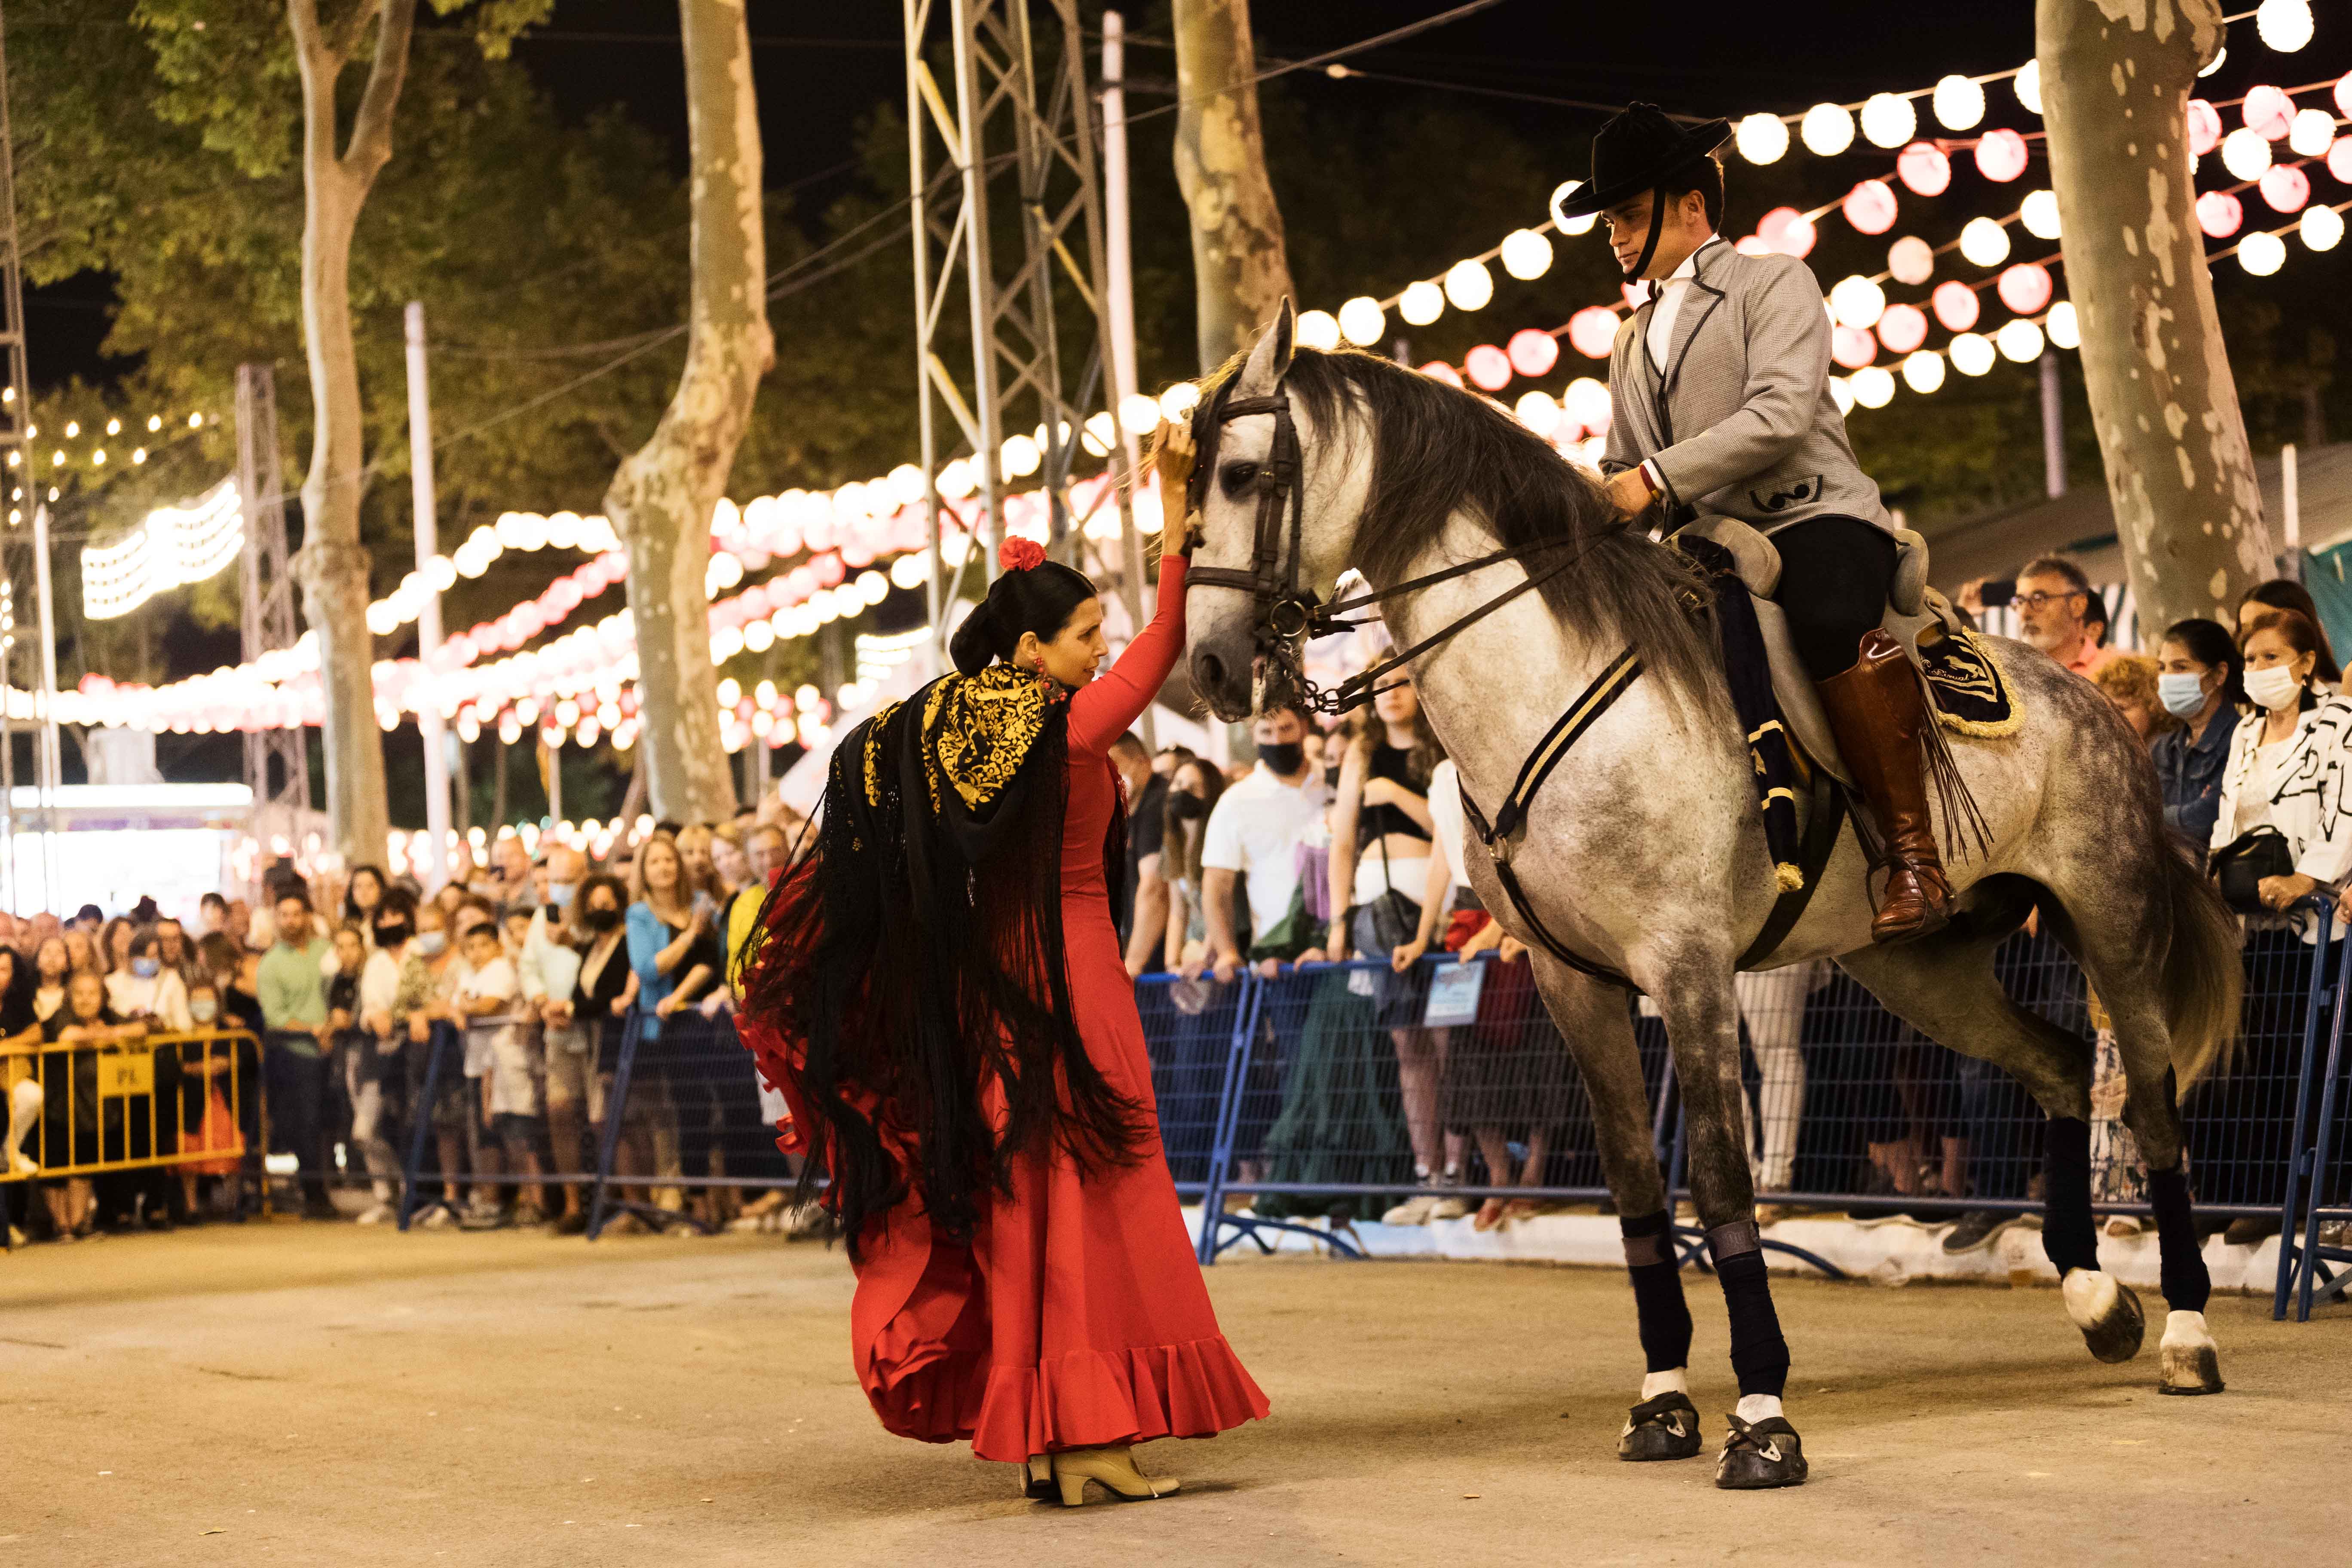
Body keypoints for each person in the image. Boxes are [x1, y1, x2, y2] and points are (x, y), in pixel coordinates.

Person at [740, 426, 1265, 1506]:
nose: (1096, 651)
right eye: (1082, 636)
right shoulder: (1061, 731)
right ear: (1029, 653)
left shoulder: (958, 730)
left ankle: (1057, 1439)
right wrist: (1174, 527)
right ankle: (1085, 1440)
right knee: (1099, 1197)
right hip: (1071, 978)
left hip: (1000, 986)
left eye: (1096, 636)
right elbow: (1164, 643)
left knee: (1036, 1202)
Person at [1571, 102, 1938, 961]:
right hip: (1707, 541)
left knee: (1822, 619)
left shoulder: (1774, 281)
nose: (1615, 237)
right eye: (1612, 221)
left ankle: (1914, 858)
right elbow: (1625, 463)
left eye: (1627, 215)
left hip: (1812, 513)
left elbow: (1777, 414)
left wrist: (1653, 479)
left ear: (1690, 206)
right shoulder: (1628, 340)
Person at [2202, 608, 2352, 1243]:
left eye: (2270, 657)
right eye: (2251, 659)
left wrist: (2309, 879)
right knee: (2249, 1061)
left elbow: (2346, 810)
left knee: (2309, 1060)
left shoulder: (2339, 724)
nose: (2258, 670)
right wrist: (2214, 877)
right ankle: (2258, 1197)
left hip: (2314, 925)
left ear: (2307, 661)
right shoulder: (2243, 732)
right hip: (2247, 924)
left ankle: (2316, 1197)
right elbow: (2228, 816)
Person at [1324, 674, 1461, 1212]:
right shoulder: (1364, 752)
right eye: (1380, 686)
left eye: (1402, 682)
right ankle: (1427, 1170)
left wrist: (1398, 796)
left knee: (1448, 1039)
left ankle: (1457, 1170)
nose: (1390, 693)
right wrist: (1338, 920)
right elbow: (1341, 841)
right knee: (1408, 1045)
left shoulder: (1443, 746)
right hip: (1376, 903)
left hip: (1437, 896)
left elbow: (1452, 828)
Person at [521, 845, 596, 1233]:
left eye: (568, 881)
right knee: (560, 1112)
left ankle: (618, 1201)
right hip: (557, 1031)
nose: (560, 889)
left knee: (602, 1118)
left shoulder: (598, 914)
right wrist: (541, 1002)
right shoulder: (539, 919)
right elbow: (529, 967)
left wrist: (574, 942)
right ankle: (572, 1204)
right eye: (554, 881)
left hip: (593, 1028)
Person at [454, 919, 545, 1226]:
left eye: (484, 945)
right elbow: (456, 1004)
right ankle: (495, 1200)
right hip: (480, 1064)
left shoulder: (502, 970)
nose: (477, 953)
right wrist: (465, 1005)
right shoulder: (470, 974)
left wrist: (464, 1006)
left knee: (518, 1134)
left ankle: (534, 1202)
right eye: (471, 947)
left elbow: (490, 1005)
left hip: (508, 1063)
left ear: (497, 946)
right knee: (487, 1135)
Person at [257, 891, 339, 1219]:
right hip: (297, 1054)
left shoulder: (326, 952)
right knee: (307, 1125)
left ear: (308, 916)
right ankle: (314, 1195)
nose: (291, 921)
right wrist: (313, 1030)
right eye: (285, 915)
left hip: (335, 1048)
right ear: (276, 920)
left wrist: (332, 1027)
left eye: (297, 914)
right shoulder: (271, 964)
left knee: (331, 1124)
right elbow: (275, 1018)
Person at [571, 872, 646, 1226]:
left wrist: (573, 1010)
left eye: (607, 904)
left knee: (623, 1121)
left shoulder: (628, 941)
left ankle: (636, 1202)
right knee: (603, 1123)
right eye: (593, 905)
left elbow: (611, 993)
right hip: (592, 1041)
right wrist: (566, 1008)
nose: (600, 910)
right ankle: (621, 1199)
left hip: (619, 1039)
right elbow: (580, 993)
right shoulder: (589, 947)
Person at [2153, 618, 2246, 850]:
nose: (2167, 677)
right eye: (2163, 667)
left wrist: (2152, 821)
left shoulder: (2242, 739)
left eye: (2181, 667)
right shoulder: (2162, 748)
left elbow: (2208, 819)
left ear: (2219, 675)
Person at [2236, 578, 2342, 684]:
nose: (2255, 639)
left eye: (2267, 625)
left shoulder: (2339, 697)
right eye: (2246, 631)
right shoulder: (2239, 697)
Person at [106, 929, 193, 1034]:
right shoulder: (112, 982)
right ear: (132, 957)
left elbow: (184, 1023)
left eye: (154, 956)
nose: (148, 961)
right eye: (144, 956)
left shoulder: (171, 980)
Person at [2092, 653, 2177, 744]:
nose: (2109, 717)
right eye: (2105, 709)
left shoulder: (2171, 752)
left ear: (2154, 709)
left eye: (2121, 708)